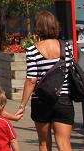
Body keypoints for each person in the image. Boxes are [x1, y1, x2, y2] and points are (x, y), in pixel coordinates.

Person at [16, 10, 74, 151]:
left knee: (44, 143)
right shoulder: (65, 47)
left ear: (38, 27)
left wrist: (22, 105)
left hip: (41, 100)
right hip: (63, 99)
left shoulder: (32, 50)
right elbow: (70, 71)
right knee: (64, 143)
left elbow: (31, 79)